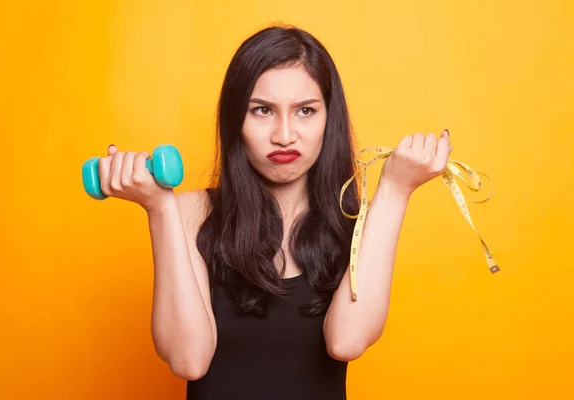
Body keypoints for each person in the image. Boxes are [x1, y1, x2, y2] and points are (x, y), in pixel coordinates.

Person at [98, 24, 452, 400]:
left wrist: (395, 191)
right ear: (236, 120)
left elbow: (346, 342)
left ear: (329, 119)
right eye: (263, 110)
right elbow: (189, 360)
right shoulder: (189, 213)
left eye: (305, 111)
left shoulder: (357, 225)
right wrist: (159, 208)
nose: (284, 135)